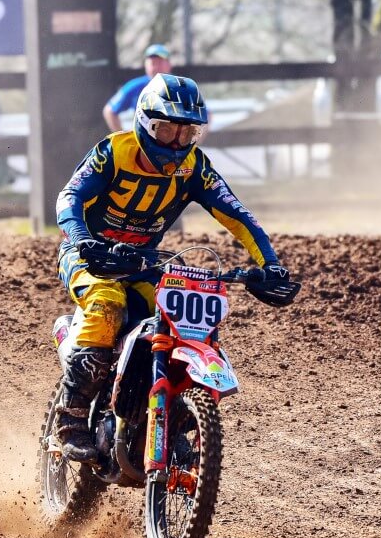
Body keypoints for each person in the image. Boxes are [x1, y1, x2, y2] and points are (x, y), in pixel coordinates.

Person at [55, 74, 292, 463]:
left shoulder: (195, 167)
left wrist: (271, 265)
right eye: (166, 130)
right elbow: (69, 197)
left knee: (178, 322)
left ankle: (166, 419)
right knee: (107, 305)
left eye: (187, 133)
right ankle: (72, 421)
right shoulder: (113, 152)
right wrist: (83, 239)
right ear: (146, 124)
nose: (176, 143)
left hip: (145, 262)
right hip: (88, 256)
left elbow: (238, 216)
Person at [102, 43, 172, 132]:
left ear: (169, 64)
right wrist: (122, 137)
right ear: (146, 65)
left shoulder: (180, 86)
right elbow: (109, 110)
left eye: (160, 62)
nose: (156, 66)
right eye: (153, 63)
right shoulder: (135, 86)